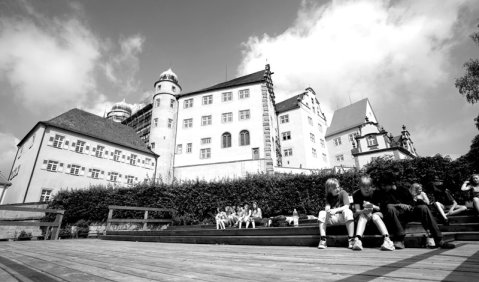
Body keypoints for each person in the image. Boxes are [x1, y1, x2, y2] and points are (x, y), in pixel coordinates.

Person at [376, 173, 454, 249]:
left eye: (385, 185)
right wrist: (398, 205)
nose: (383, 187)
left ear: (391, 184)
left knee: (423, 207)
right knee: (390, 207)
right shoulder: (383, 193)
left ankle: (439, 239)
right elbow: (383, 207)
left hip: (408, 213)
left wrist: (409, 206)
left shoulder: (403, 190)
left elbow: (412, 204)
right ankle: (400, 239)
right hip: (397, 216)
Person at [352, 175, 395, 251]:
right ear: (360, 187)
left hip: (378, 214)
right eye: (364, 187)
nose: (366, 189)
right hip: (365, 216)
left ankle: (387, 240)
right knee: (362, 215)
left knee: (375, 216)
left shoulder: (377, 193)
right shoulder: (356, 194)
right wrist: (364, 211)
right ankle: (357, 240)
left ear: (371, 186)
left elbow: (382, 209)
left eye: (368, 186)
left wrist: (371, 206)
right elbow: (357, 211)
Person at [317, 178, 355, 249]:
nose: (337, 189)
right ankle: (323, 239)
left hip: (343, 218)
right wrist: (327, 210)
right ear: (329, 190)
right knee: (322, 213)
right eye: (335, 188)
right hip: (332, 218)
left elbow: (347, 206)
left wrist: (335, 210)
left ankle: (351, 239)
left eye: (338, 187)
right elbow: (327, 206)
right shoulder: (328, 196)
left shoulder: (343, 192)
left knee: (348, 211)